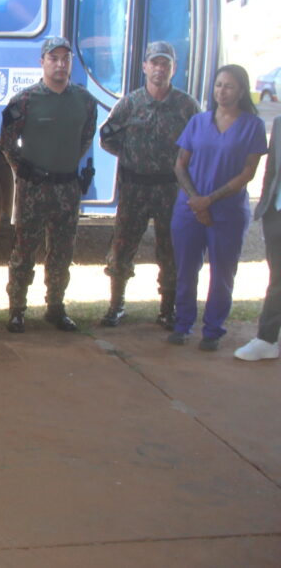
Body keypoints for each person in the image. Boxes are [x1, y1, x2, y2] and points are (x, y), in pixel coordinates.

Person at [0, 37, 97, 333]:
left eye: (65, 58)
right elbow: (6, 143)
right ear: (42, 62)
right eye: (53, 58)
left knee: (62, 252)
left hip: (67, 188)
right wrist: (26, 170)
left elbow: (85, 138)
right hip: (33, 189)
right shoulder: (24, 101)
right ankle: (17, 310)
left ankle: (56, 307)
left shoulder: (84, 100)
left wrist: (63, 166)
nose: (59, 64)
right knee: (24, 251)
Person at [99, 42, 199, 328]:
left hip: (170, 188)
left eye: (165, 64)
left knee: (170, 250)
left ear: (174, 69)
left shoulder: (186, 106)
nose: (159, 69)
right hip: (134, 187)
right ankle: (116, 306)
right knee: (122, 247)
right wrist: (132, 156)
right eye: (154, 63)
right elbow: (107, 137)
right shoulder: (129, 104)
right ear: (144, 67)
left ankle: (167, 309)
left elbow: (199, 142)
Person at [169, 65, 267, 351]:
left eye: (229, 86)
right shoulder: (198, 122)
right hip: (188, 208)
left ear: (241, 91)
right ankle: (182, 323)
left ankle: (213, 329)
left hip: (228, 212)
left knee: (222, 272)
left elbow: (248, 173)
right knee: (186, 269)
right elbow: (180, 164)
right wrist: (195, 200)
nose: (222, 91)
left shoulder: (253, 126)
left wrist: (208, 201)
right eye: (219, 85)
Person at [235, 112, 281, 361]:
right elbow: (272, 170)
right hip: (277, 213)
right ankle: (267, 339)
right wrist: (266, 206)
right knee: (277, 280)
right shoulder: (279, 123)